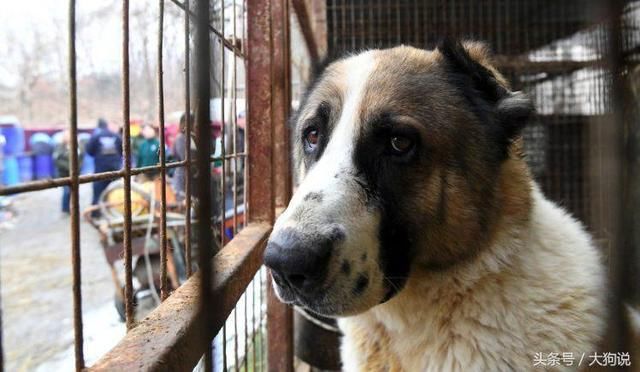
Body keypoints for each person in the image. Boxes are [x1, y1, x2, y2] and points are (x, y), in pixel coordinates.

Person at [85, 118, 123, 214]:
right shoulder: (117, 136)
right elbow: (123, 150)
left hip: (100, 169)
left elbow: (89, 150)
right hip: (115, 169)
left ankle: (95, 213)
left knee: (97, 192)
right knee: (115, 192)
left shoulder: (96, 136)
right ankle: (114, 213)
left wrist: (99, 156)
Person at [53, 130, 83, 214]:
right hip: (64, 174)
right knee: (66, 191)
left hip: (75, 174)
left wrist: (77, 168)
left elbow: (81, 158)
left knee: (74, 192)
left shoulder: (78, 146)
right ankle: (65, 209)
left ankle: (73, 208)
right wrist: (70, 167)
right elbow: (57, 160)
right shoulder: (60, 146)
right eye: (67, 136)